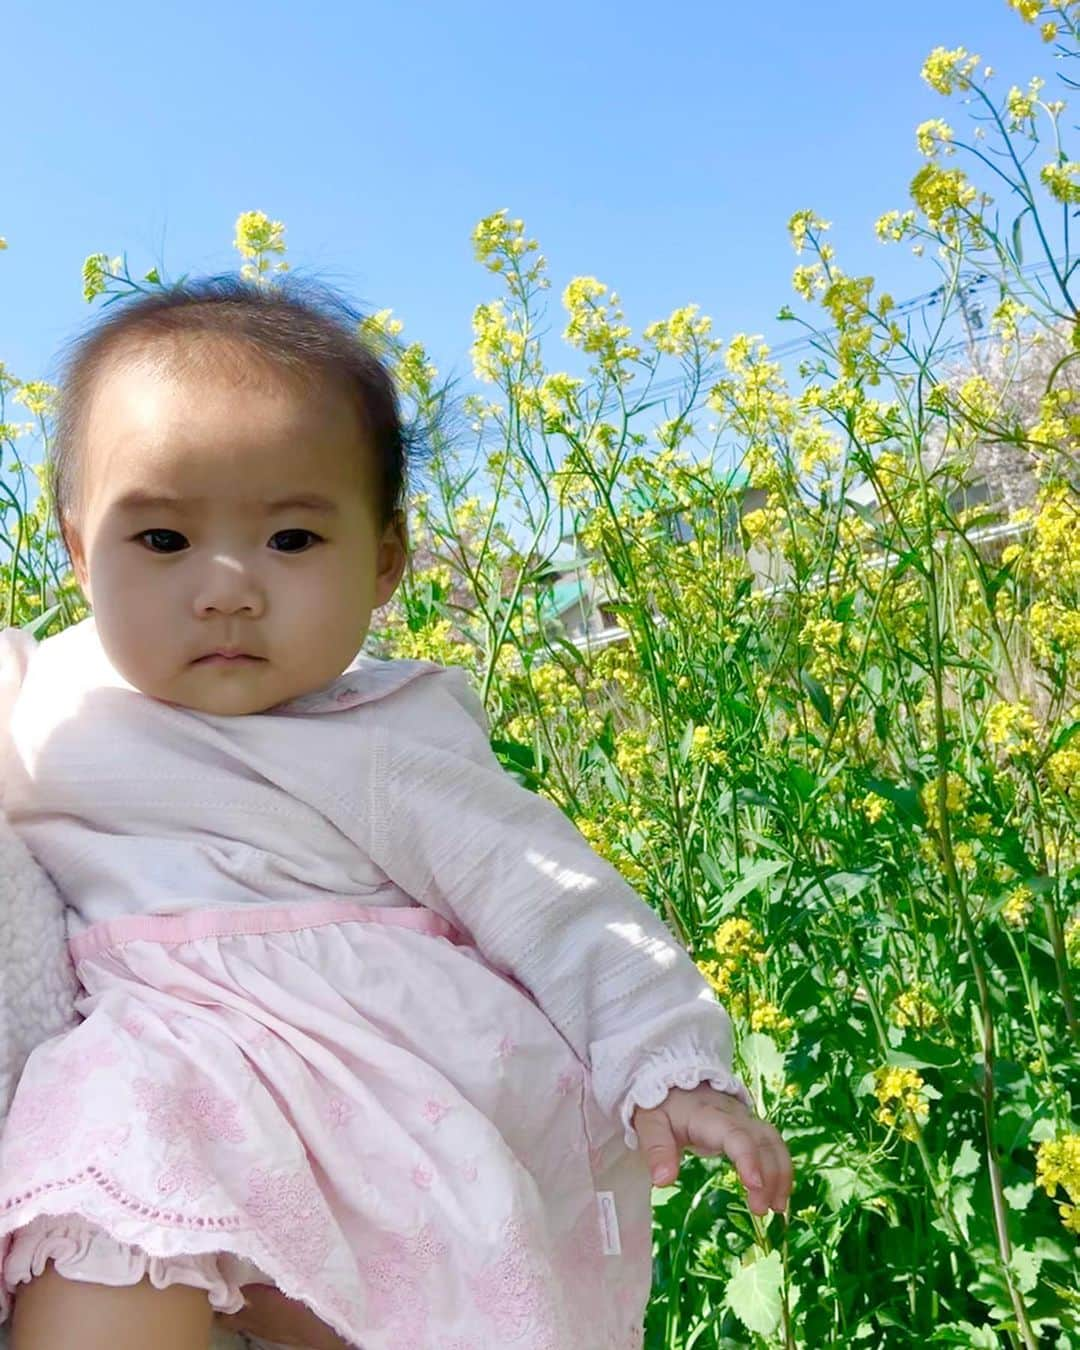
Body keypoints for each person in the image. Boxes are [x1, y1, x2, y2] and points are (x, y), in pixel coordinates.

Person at [0, 276, 792, 1350]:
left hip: (373, 1098)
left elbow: (549, 895)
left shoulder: (387, 737)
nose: (227, 587)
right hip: (152, 1075)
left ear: (385, 564)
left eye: (290, 540)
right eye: (162, 541)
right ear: (79, 549)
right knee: (92, 1265)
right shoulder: (40, 694)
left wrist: (668, 1061)